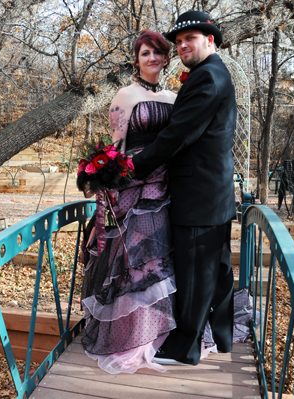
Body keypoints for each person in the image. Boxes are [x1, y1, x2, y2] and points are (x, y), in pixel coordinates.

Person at [131, 11, 237, 366]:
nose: (182, 46)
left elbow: (177, 135)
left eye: (188, 39)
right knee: (218, 271)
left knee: (195, 272)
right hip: (215, 194)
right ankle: (222, 337)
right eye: (178, 42)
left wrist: (133, 165)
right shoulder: (214, 74)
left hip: (198, 195)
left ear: (210, 40)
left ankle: (185, 347)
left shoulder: (208, 78)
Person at [80, 30, 177, 374]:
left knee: (161, 258)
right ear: (136, 60)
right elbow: (116, 148)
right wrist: (109, 196)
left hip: (167, 185)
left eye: (157, 53)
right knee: (134, 257)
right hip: (134, 185)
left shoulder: (174, 96)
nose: (152, 58)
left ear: (166, 58)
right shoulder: (125, 95)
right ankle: (130, 339)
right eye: (145, 53)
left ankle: (158, 336)